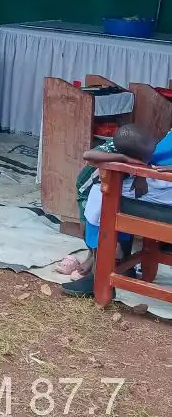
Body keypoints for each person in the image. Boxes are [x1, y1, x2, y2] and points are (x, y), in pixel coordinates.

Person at [62, 124, 157, 297]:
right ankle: (93, 260)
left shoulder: (139, 150)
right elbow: (88, 155)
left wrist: (141, 176)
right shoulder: (112, 149)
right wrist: (122, 158)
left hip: (111, 189)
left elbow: (146, 163)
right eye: (147, 156)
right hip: (86, 191)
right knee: (89, 228)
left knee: (116, 226)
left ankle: (121, 265)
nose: (150, 157)